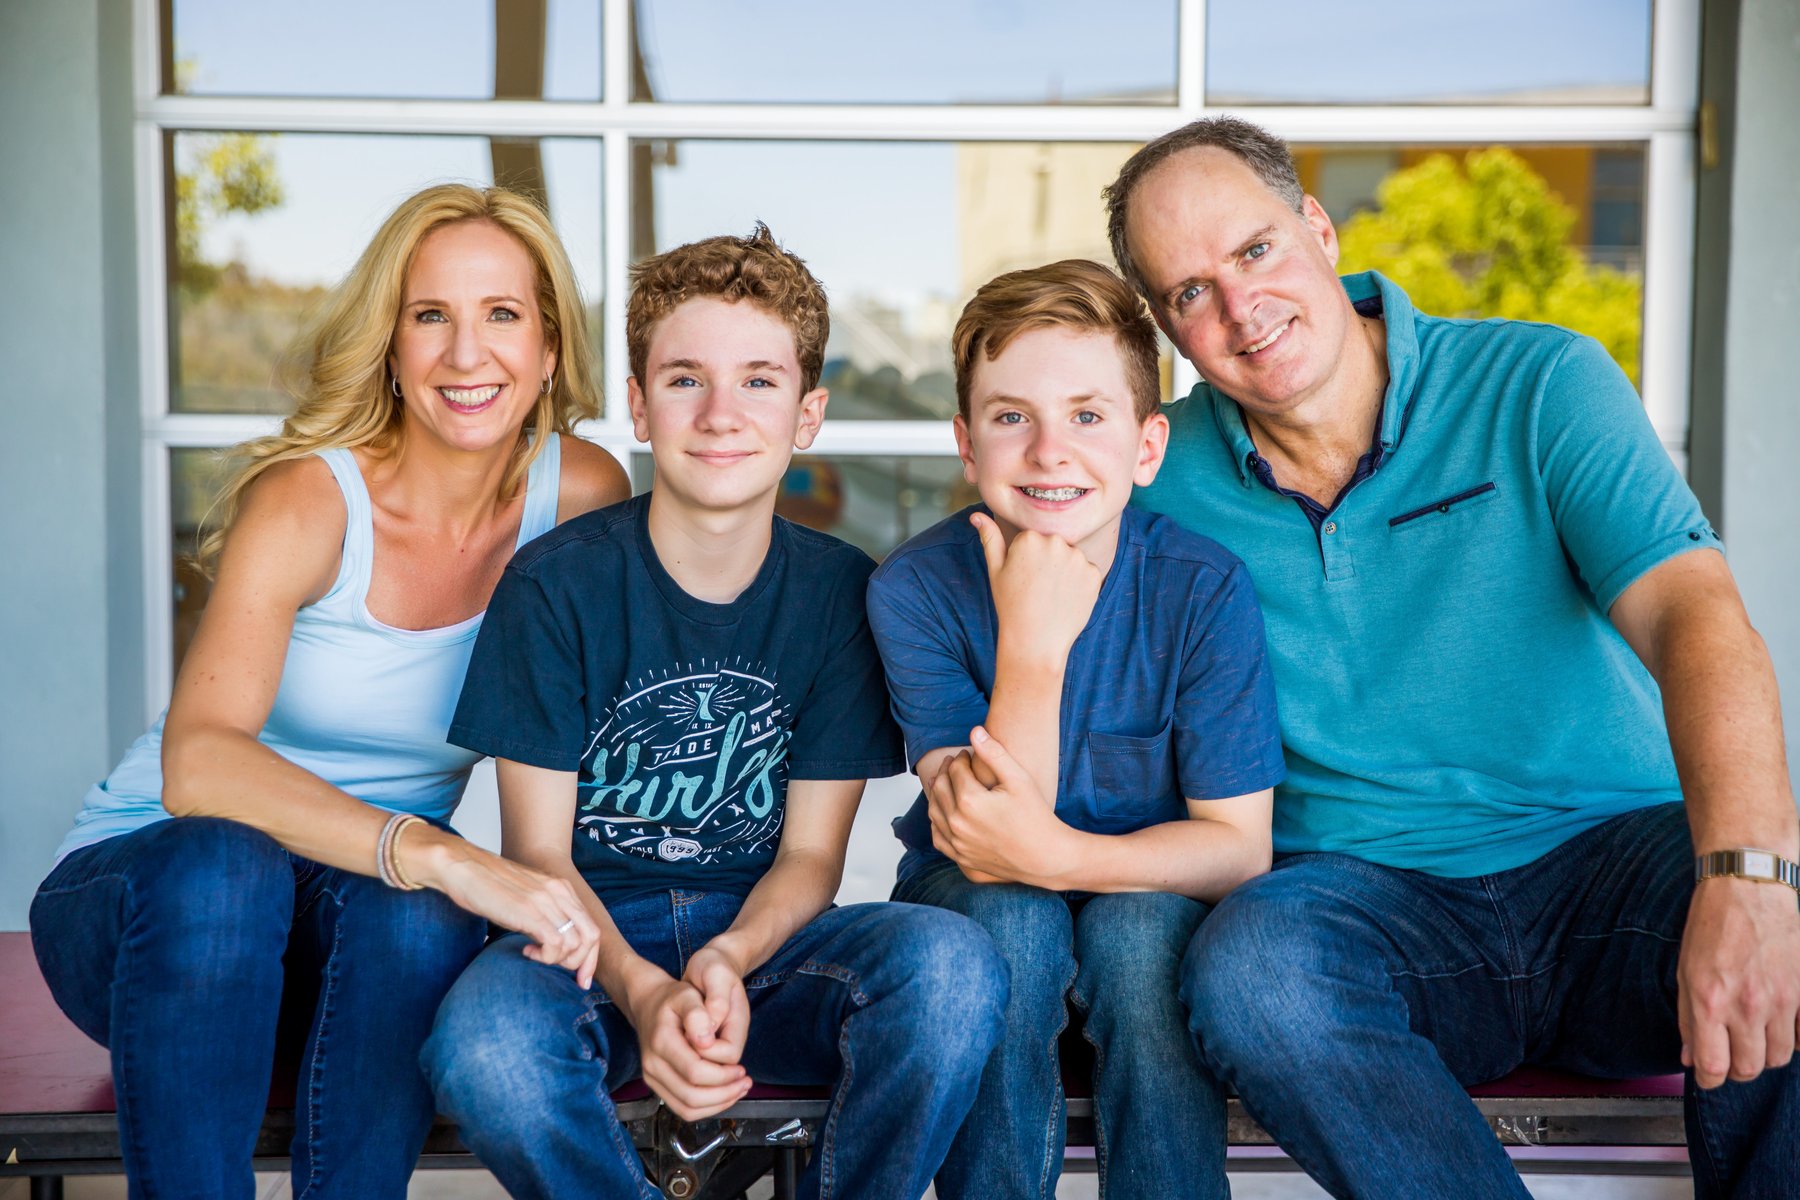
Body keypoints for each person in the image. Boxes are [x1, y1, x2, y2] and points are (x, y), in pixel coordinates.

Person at [1088, 114, 1799, 1198]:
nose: (1240, 306)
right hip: (1371, 909)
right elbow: (1013, 533)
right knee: (1254, 973)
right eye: (1190, 291)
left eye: (1256, 249)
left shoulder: (1538, 383)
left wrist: (1748, 876)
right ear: (1165, 327)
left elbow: (1694, 616)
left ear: (1319, 229)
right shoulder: (1151, 472)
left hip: (1613, 872)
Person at [29, 183, 631, 1199]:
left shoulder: (581, 497)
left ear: (548, 349)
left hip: (355, 932)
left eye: (501, 314)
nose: (466, 353)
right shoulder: (309, 499)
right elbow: (198, 765)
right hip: (157, 913)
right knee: (231, 863)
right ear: (390, 346)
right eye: (429, 315)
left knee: (423, 917)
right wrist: (439, 852)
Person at [420, 224, 1006, 1200]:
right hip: (579, 941)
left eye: (759, 382)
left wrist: (731, 956)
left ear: (808, 414)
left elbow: (810, 858)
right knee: (485, 1047)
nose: (721, 414)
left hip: (770, 948)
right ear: (639, 406)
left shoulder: (838, 594)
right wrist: (645, 992)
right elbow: (540, 858)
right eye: (685, 379)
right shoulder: (556, 586)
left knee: (951, 967)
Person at [866, 259, 1286, 1200]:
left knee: (1142, 940)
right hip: (973, 893)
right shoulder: (915, 588)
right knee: (1011, 921)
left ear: (1147, 447)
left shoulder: (1203, 588)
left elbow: (1236, 848)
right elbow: (988, 845)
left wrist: (1063, 857)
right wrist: (1032, 646)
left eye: (1088, 416)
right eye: (1011, 417)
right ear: (966, 445)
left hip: (1150, 891)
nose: (1050, 452)